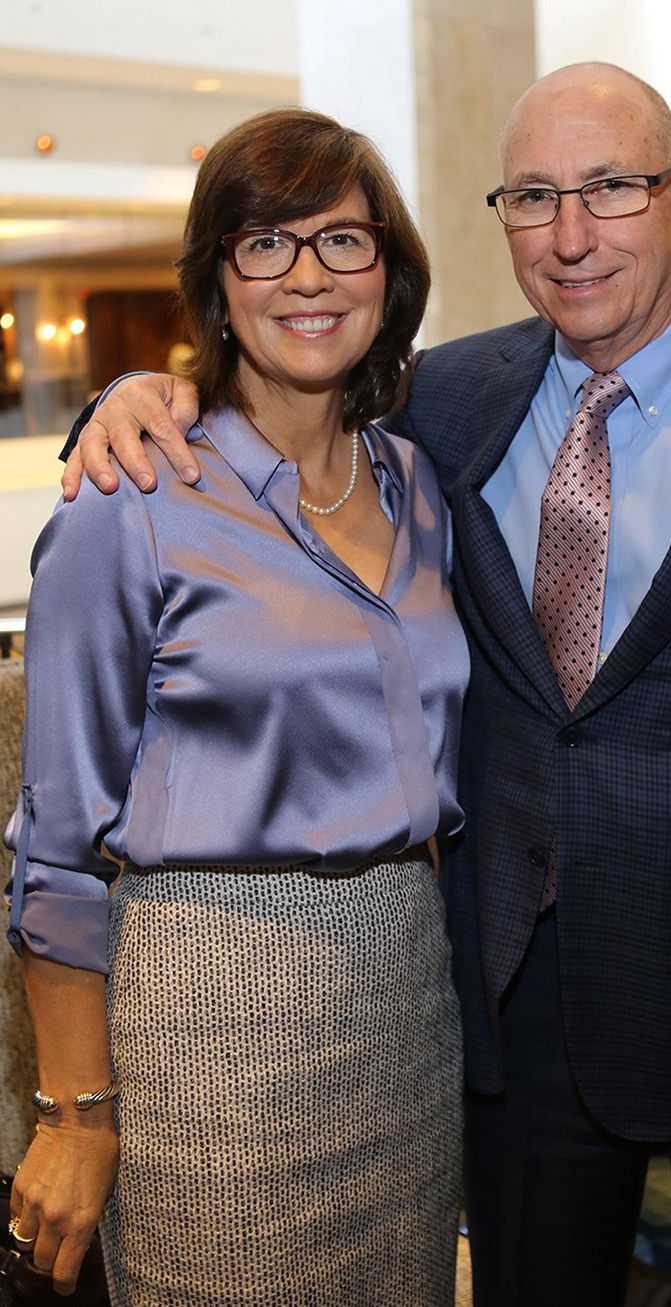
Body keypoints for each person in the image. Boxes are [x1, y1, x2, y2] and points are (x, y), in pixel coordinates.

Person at [59, 64, 671, 1307]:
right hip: (506, 1032)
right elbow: (267, 404)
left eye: (609, 188)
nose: (569, 233)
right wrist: (129, 399)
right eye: (533, 195)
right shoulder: (447, 401)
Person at [5, 107, 468, 1306]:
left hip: (407, 1005)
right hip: (210, 1026)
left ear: (390, 270)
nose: (307, 276)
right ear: (218, 280)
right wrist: (76, 1115)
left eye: (342, 241)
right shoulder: (131, 500)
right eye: (265, 242)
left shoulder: (415, 486)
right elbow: (53, 847)